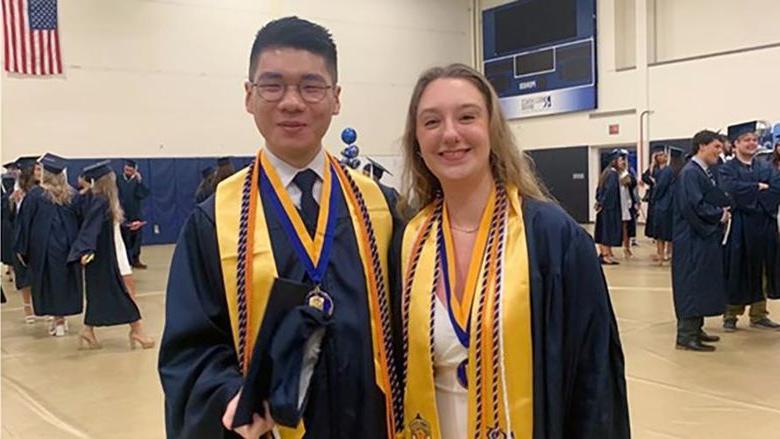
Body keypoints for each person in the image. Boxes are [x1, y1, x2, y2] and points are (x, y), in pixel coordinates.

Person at [159, 17, 403, 438]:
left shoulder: (382, 207)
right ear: (249, 96)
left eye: (311, 86)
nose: (292, 102)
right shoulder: (214, 220)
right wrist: (230, 396)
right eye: (273, 85)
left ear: (336, 98)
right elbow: (190, 351)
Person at [397, 63, 629, 439]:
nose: (450, 133)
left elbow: (594, 380)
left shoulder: (554, 238)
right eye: (431, 122)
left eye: (467, 116)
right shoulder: (408, 241)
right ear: (417, 141)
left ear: (492, 129)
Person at [68, 161, 155, 349]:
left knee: (104, 293)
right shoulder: (100, 200)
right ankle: (137, 329)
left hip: (116, 249)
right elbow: (91, 228)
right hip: (107, 254)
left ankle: (88, 330)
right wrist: (86, 249)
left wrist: (127, 225)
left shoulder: (103, 199)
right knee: (123, 291)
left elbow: (108, 226)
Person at [671, 130, 730, 351]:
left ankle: (696, 328)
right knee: (691, 284)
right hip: (691, 239)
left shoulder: (702, 172)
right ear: (702, 146)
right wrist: (719, 215)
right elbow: (693, 206)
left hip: (700, 237)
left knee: (701, 282)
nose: (720, 151)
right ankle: (685, 335)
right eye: (716, 146)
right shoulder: (690, 174)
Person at [719, 121, 780, 331]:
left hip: (765, 225)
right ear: (735, 144)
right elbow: (730, 190)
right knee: (738, 269)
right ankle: (730, 315)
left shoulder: (766, 166)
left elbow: (776, 189)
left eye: (754, 140)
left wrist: (752, 194)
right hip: (740, 227)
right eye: (746, 140)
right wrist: (756, 187)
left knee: (763, 268)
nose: (751, 143)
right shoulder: (727, 168)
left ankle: (759, 313)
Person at [14, 154, 82, 336]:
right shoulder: (72, 195)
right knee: (65, 281)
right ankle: (62, 319)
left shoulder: (36, 195)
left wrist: (22, 248)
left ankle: (56, 320)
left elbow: (24, 223)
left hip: (43, 247)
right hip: (68, 247)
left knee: (49, 282)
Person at [10, 156, 39, 323]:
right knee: (24, 273)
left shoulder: (42, 189)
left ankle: (43, 305)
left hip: (38, 235)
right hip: (21, 235)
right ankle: (27, 306)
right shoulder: (17, 192)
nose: (39, 172)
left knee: (40, 273)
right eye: (36, 169)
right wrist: (13, 202)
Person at [116, 159, 150, 269]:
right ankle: (125, 261)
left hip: (135, 214)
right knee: (124, 239)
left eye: (130, 170)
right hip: (123, 214)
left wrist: (139, 181)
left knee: (136, 240)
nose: (128, 171)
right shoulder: (118, 179)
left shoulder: (137, 181)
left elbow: (143, 194)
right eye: (126, 169)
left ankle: (136, 260)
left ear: (135, 170)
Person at [594, 149, 626, 264]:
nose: (623, 162)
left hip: (605, 207)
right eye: (621, 160)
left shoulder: (605, 173)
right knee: (607, 232)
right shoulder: (612, 174)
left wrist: (599, 202)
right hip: (610, 208)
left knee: (604, 231)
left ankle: (606, 253)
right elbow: (609, 191)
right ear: (614, 161)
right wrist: (603, 203)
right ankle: (605, 255)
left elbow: (599, 191)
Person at [651, 146, 675, 264]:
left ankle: (667, 254)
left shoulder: (667, 170)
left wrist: (654, 197)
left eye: (664, 155)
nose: (662, 157)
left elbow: (660, 187)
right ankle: (660, 254)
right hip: (660, 203)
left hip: (665, 203)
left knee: (666, 231)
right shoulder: (656, 170)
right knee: (659, 233)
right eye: (659, 155)